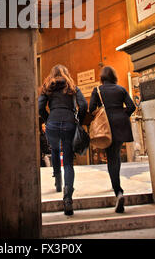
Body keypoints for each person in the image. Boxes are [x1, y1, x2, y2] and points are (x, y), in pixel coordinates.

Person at [38, 64, 87, 216]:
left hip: (52, 123)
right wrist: (78, 118)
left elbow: (40, 107)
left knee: (54, 150)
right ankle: (67, 198)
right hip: (69, 123)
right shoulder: (72, 86)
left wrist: (48, 119)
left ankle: (58, 182)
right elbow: (83, 105)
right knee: (67, 161)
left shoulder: (47, 87)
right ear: (66, 73)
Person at [89, 66, 136, 213]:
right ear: (114, 76)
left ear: (102, 77)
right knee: (115, 155)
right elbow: (131, 106)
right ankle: (116, 184)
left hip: (106, 126)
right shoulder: (121, 89)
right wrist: (122, 115)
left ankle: (118, 191)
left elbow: (91, 109)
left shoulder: (97, 90)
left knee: (112, 157)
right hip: (121, 125)